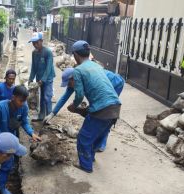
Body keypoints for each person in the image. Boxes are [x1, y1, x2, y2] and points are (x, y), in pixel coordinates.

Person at [45, 40, 121, 173]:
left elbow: (79, 94)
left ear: (75, 54)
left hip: (102, 109)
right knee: (97, 135)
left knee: (83, 137)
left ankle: (86, 166)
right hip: (115, 107)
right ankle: (90, 158)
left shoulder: (79, 71)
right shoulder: (96, 66)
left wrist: (75, 106)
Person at [44, 67, 125, 153]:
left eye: (68, 83)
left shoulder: (86, 79)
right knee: (98, 112)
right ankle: (97, 137)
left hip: (116, 83)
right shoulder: (74, 81)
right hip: (105, 84)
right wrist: (52, 113)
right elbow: (64, 97)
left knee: (106, 113)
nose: (68, 86)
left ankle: (102, 142)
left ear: (73, 78)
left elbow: (95, 96)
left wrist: (80, 106)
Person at [0, 85, 41, 194]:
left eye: (24, 101)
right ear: (13, 97)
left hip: (10, 142)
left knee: (7, 164)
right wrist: (3, 138)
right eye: (20, 100)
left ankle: (1, 187)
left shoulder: (24, 107)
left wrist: (31, 133)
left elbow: (25, 122)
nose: (22, 103)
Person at [28, 32, 56, 120]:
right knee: (41, 98)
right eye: (33, 43)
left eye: (36, 42)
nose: (35, 45)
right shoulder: (34, 53)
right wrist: (30, 79)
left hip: (48, 79)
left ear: (41, 41)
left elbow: (49, 68)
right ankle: (41, 116)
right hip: (39, 78)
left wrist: (43, 80)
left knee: (47, 97)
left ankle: (49, 117)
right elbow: (33, 67)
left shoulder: (48, 52)